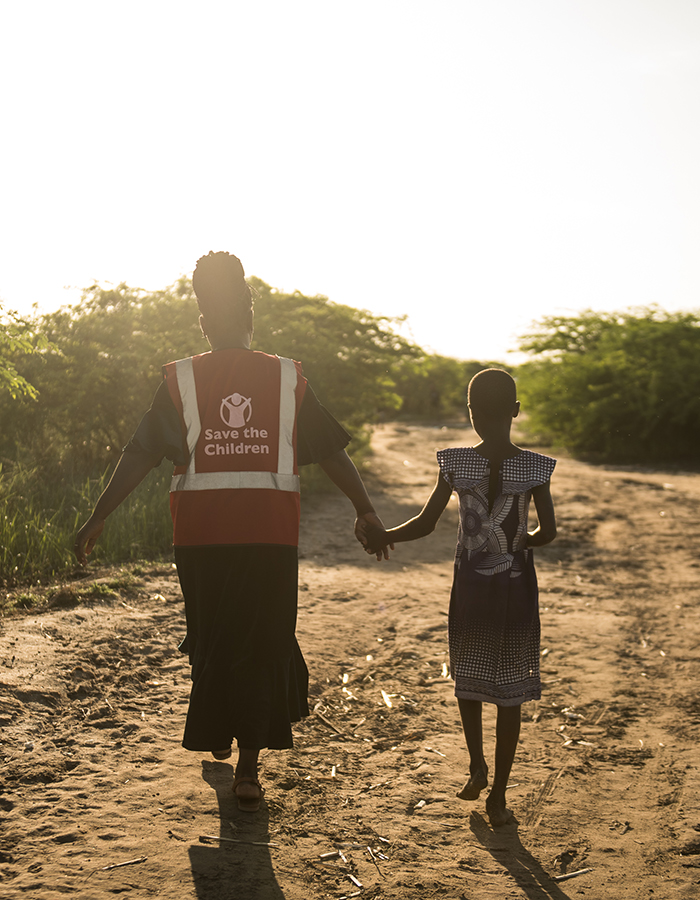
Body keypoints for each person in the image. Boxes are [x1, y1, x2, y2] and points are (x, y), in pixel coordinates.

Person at [73, 251, 388, 813]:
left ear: (202, 320)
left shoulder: (182, 377)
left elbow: (140, 454)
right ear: (250, 315)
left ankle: (237, 753)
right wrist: (364, 509)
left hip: (200, 539)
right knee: (260, 641)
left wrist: (100, 514)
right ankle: (245, 765)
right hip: (270, 536)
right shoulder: (286, 376)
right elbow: (333, 453)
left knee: (214, 638)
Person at [363, 368, 556, 826]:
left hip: (470, 587)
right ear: (515, 411)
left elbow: (427, 523)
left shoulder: (456, 462)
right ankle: (500, 797)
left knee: (468, 675)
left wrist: (383, 535)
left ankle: (476, 767)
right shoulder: (535, 467)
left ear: (470, 413)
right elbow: (547, 532)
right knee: (510, 691)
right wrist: (517, 541)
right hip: (515, 589)